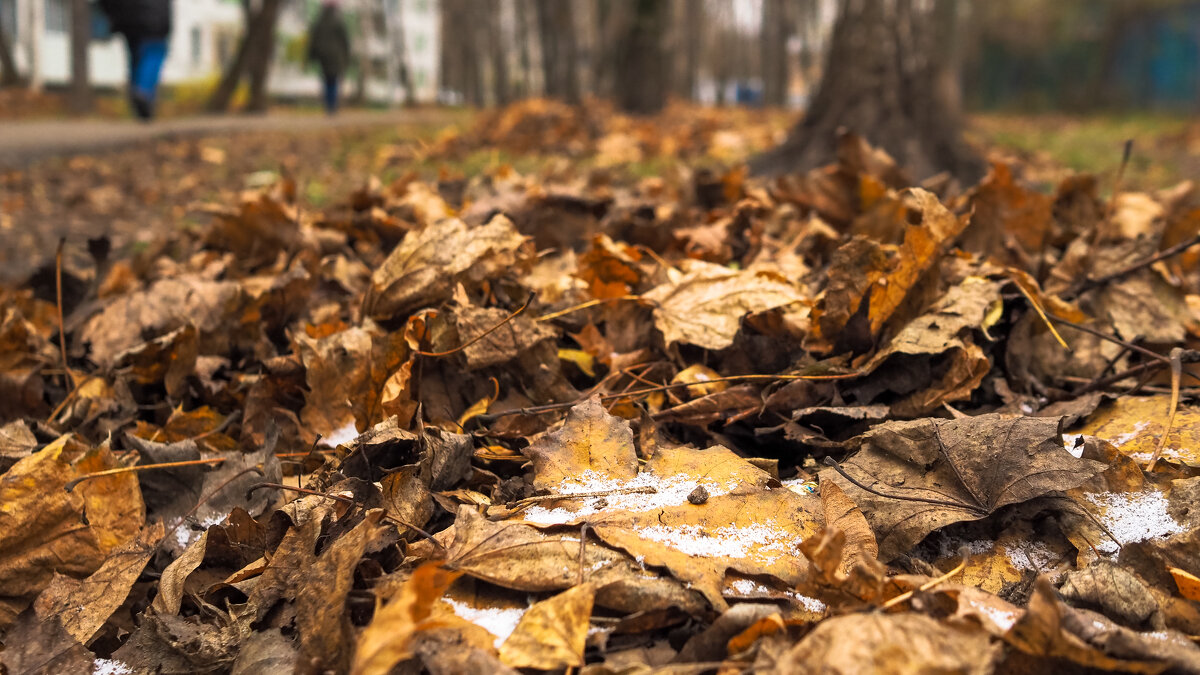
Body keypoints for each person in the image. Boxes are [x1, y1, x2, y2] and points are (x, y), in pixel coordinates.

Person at [98, 0, 172, 120]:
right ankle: (143, 91)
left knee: (135, 56)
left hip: (128, 18)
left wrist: (112, 14)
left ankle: (137, 96)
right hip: (155, 19)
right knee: (154, 51)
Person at [307, 0, 351, 115]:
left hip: (323, 56)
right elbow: (344, 41)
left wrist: (311, 55)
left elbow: (313, 39)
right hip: (335, 56)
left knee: (327, 80)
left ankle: (329, 105)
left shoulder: (319, 21)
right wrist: (346, 56)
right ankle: (332, 106)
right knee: (333, 80)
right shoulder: (338, 21)